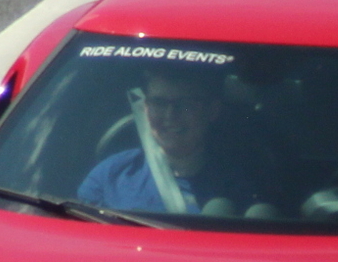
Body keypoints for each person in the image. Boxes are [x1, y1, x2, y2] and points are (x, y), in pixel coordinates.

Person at [76, 67, 267, 215]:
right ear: (146, 109)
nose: (170, 115)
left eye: (185, 105)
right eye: (159, 103)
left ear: (212, 111)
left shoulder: (243, 180)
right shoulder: (111, 175)